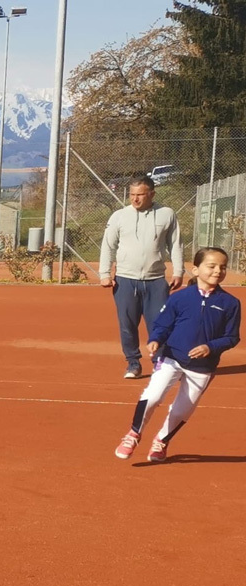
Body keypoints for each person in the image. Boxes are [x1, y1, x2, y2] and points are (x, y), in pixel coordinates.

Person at [113, 246, 239, 463]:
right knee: (153, 396)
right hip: (171, 357)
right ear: (196, 269)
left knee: (182, 410)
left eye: (223, 267)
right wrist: (155, 339)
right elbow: (163, 324)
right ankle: (133, 434)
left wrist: (210, 347)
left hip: (202, 366)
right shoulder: (179, 298)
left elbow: (232, 337)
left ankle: (162, 440)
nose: (218, 271)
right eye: (211, 266)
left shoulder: (231, 303)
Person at [99, 175, 187, 379]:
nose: (135, 199)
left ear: (152, 194)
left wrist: (178, 271)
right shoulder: (119, 216)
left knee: (160, 324)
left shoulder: (166, 214)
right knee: (127, 325)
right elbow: (108, 246)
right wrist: (104, 273)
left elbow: (176, 244)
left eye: (140, 194)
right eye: (132, 194)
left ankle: (160, 363)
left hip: (156, 281)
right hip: (125, 280)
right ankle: (133, 363)